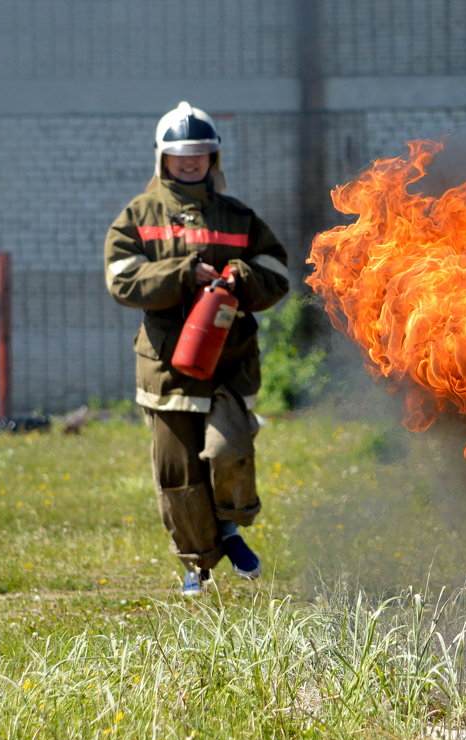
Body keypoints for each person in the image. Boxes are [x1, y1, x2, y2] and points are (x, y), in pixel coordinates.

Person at [104, 101, 290, 595]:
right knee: (179, 474)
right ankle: (197, 565)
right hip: (166, 368)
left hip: (229, 363)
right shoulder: (137, 216)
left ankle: (229, 529)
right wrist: (183, 274)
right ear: (162, 158)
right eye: (180, 154)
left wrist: (241, 276)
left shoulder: (237, 216)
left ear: (214, 158)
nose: (190, 162)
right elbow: (121, 278)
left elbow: (278, 272)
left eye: (200, 154)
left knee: (230, 451)